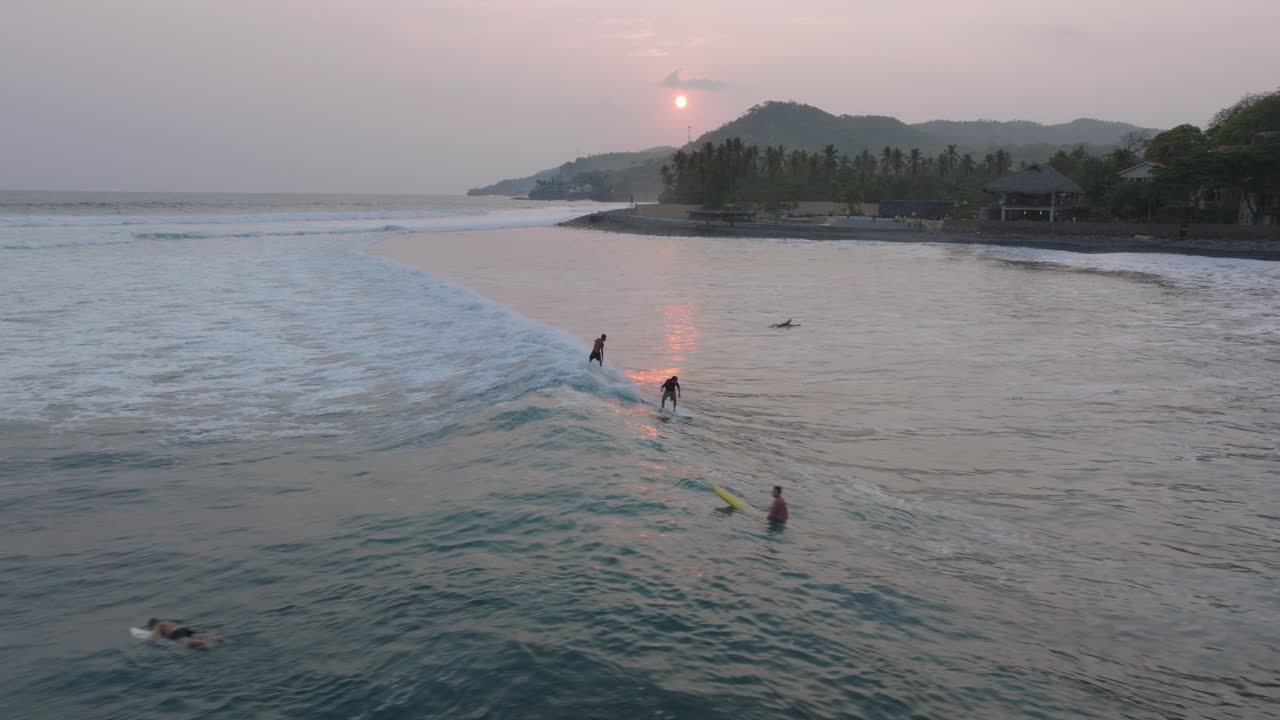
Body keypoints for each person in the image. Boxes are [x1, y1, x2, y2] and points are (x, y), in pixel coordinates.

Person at [145, 618, 220, 649]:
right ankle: (214, 637)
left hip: (176, 633)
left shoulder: (157, 626)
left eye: (150, 628)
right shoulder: (166, 622)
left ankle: (203, 642)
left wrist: (155, 643)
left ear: (153, 625)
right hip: (183, 629)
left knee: (187, 642)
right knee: (196, 635)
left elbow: (156, 636)